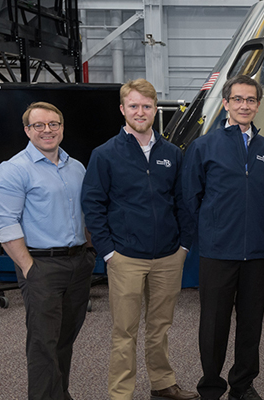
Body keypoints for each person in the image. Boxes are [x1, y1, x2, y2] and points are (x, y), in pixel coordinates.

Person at [81, 79, 197, 400]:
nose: (140, 112)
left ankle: (162, 383)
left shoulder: (172, 154)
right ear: (122, 110)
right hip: (125, 258)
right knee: (125, 331)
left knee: (160, 327)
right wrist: (107, 252)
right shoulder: (105, 155)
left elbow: (183, 201)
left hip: (168, 257)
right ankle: (121, 393)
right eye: (134, 106)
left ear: (155, 109)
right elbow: (93, 206)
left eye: (147, 106)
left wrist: (184, 245)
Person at [181, 75, 264, 400]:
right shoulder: (204, 146)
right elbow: (190, 197)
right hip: (218, 251)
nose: (244, 105)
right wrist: (213, 230)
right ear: (226, 103)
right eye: (238, 99)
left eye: (250, 100)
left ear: (258, 104)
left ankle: (242, 384)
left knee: (251, 324)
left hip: (258, 253)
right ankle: (210, 385)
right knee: (213, 324)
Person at [0, 102, 95, 400]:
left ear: (62, 128)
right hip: (41, 266)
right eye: (39, 125)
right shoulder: (14, 170)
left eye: (53, 124)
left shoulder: (77, 167)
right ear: (27, 130)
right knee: (43, 344)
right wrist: (28, 268)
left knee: (65, 339)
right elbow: (5, 223)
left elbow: (85, 213)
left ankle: (60, 394)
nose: (47, 130)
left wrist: (89, 252)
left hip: (78, 263)